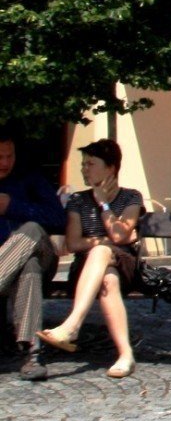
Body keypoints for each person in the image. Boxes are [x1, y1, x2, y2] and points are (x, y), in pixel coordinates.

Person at [37, 138, 145, 377]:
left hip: (126, 266)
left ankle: (72, 325)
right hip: (86, 271)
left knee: (101, 253)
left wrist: (104, 204)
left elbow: (119, 232)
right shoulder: (78, 200)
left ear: (111, 168)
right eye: (83, 164)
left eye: (90, 164)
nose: (84, 169)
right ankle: (126, 355)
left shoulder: (131, 197)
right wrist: (112, 241)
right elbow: (73, 243)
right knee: (108, 278)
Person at [0, 133, 65, 381]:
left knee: (31, 229)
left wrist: (13, 206)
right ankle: (31, 354)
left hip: (43, 251)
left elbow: (58, 219)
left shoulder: (29, 179)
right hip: (17, 268)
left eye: (9, 156)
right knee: (29, 268)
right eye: (0, 157)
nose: (5, 162)